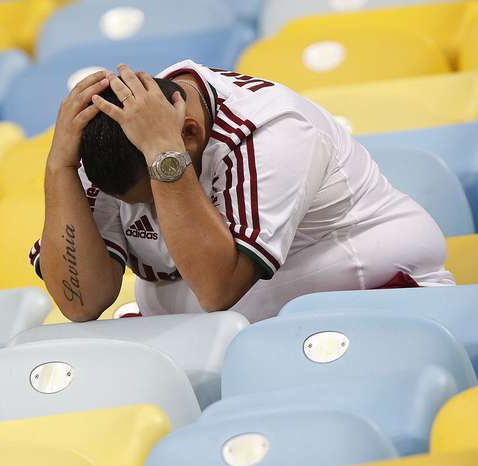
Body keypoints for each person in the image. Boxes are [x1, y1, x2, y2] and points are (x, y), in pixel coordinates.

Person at [29, 61, 454, 323]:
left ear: (188, 133)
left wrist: (165, 160)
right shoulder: (109, 140)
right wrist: (59, 168)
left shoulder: (274, 131)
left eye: (152, 195)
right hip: (210, 330)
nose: (152, 212)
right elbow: (81, 303)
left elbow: (218, 291)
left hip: (368, 298)